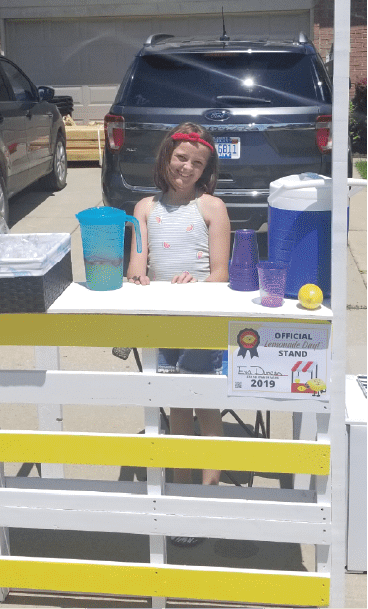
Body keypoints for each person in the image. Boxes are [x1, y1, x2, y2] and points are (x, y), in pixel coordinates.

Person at [125, 122, 231, 546]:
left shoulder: (212, 207)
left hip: (201, 322)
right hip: (161, 321)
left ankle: (207, 494)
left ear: (206, 170)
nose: (186, 167)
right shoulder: (145, 207)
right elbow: (137, 262)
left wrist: (198, 286)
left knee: (206, 409)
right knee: (176, 411)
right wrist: (137, 275)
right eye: (181, 158)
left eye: (197, 162)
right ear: (166, 157)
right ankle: (181, 493)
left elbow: (221, 274)